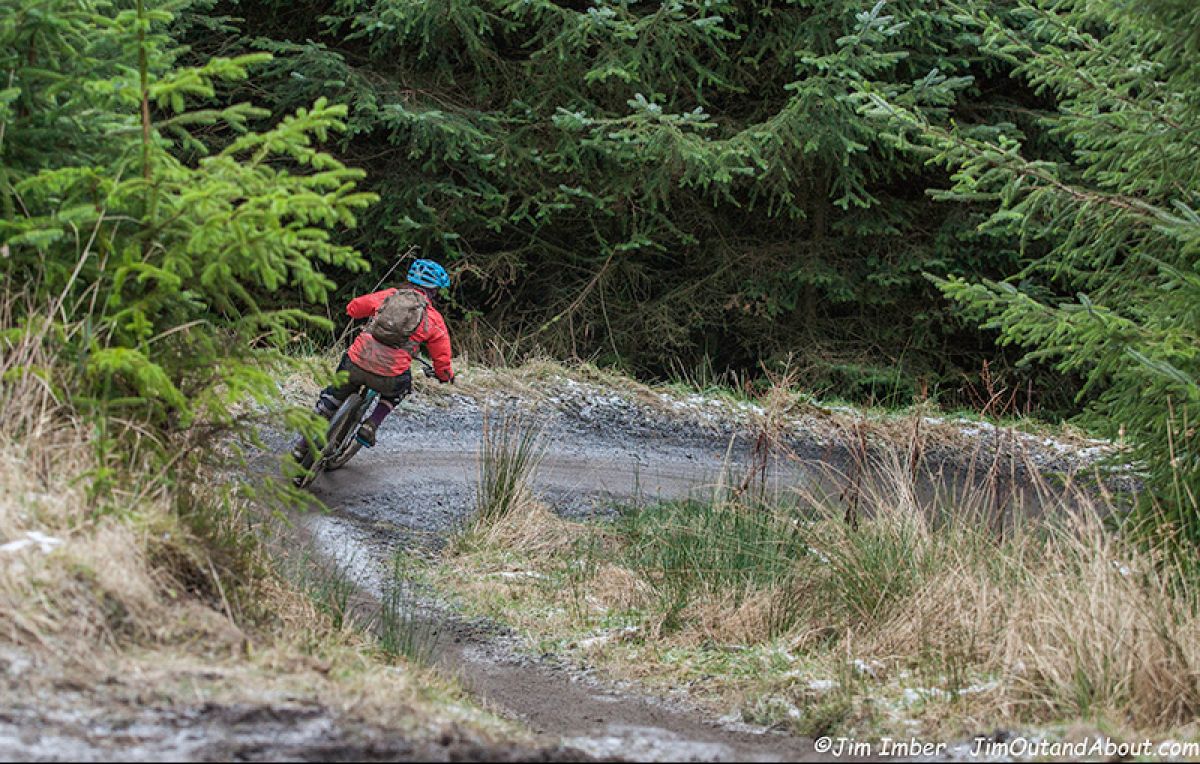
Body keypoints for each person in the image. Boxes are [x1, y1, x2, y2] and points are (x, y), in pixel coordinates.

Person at [292, 258, 454, 461]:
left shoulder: (389, 296)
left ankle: (301, 445)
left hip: (356, 362)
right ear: (435, 291)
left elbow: (353, 308)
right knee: (400, 390)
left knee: (333, 395)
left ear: (409, 281)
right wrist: (444, 376)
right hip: (390, 375)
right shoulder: (433, 318)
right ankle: (371, 424)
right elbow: (442, 360)